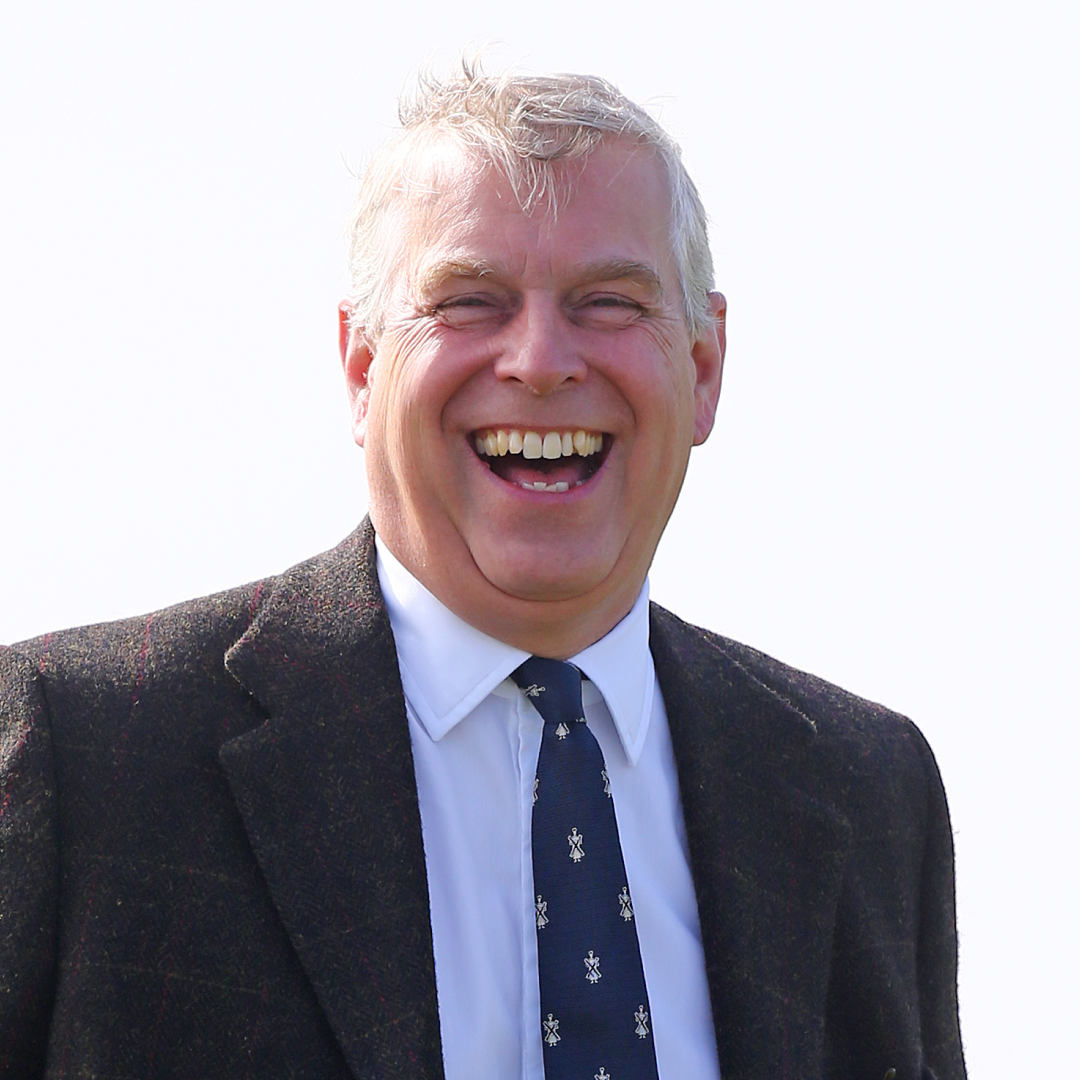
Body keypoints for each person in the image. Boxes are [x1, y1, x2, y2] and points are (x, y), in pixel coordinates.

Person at [0, 65, 965, 1080]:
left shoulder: (864, 791)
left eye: (608, 301)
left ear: (706, 366)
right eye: (469, 301)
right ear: (362, 369)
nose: (541, 359)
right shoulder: (86, 753)